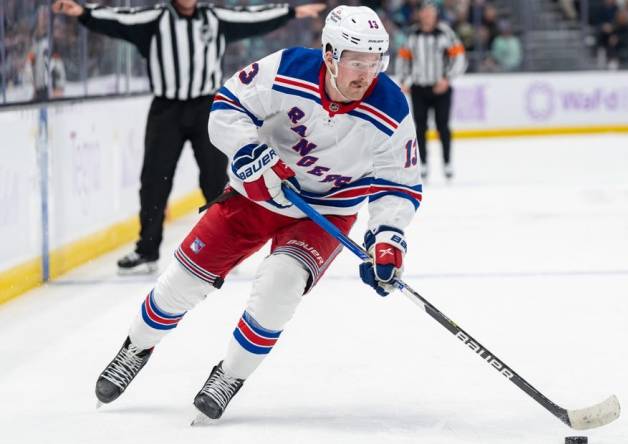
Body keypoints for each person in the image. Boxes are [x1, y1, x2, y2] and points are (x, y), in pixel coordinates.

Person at [93, 5, 422, 422]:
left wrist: (388, 238)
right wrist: (251, 153)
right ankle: (136, 347)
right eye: (357, 61)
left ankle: (229, 375)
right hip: (256, 196)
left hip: (326, 211)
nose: (366, 74)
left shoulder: (391, 106)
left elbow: (399, 183)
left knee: (280, 285)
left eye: (375, 62)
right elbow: (227, 106)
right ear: (330, 54)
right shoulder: (288, 68)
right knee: (183, 283)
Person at [52, 0, 326, 274]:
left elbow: (252, 17)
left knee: (215, 179)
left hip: (206, 108)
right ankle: (147, 251)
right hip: (166, 110)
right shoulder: (155, 18)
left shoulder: (215, 17)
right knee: (154, 180)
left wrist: (290, 12)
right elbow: (120, 19)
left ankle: (223, 247)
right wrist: (84, 13)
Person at [396, 1, 466, 181]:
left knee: (443, 126)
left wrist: (447, 78)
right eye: (424, 12)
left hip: (441, 88)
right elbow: (403, 58)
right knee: (420, 128)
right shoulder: (412, 34)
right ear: (420, 14)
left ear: (436, 14)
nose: (427, 15)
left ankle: (447, 163)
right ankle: (424, 164)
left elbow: (459, 57)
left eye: (430, 12)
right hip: (419, 88)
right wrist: (403, 80)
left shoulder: (446, 33)